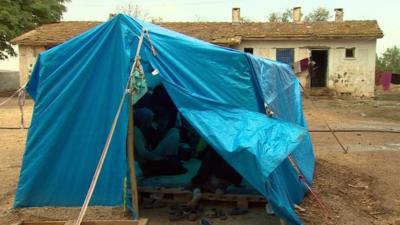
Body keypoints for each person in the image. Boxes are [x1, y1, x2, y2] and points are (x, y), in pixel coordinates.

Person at [134, 107, 186, 177]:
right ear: (144, 120)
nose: (151, 122)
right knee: (173, 165)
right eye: (150, 120)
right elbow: (142, 153)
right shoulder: (135, 131)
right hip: (144, 164)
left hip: (148, 160)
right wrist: (158, 158)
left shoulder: (145, 130)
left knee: (174, 162)